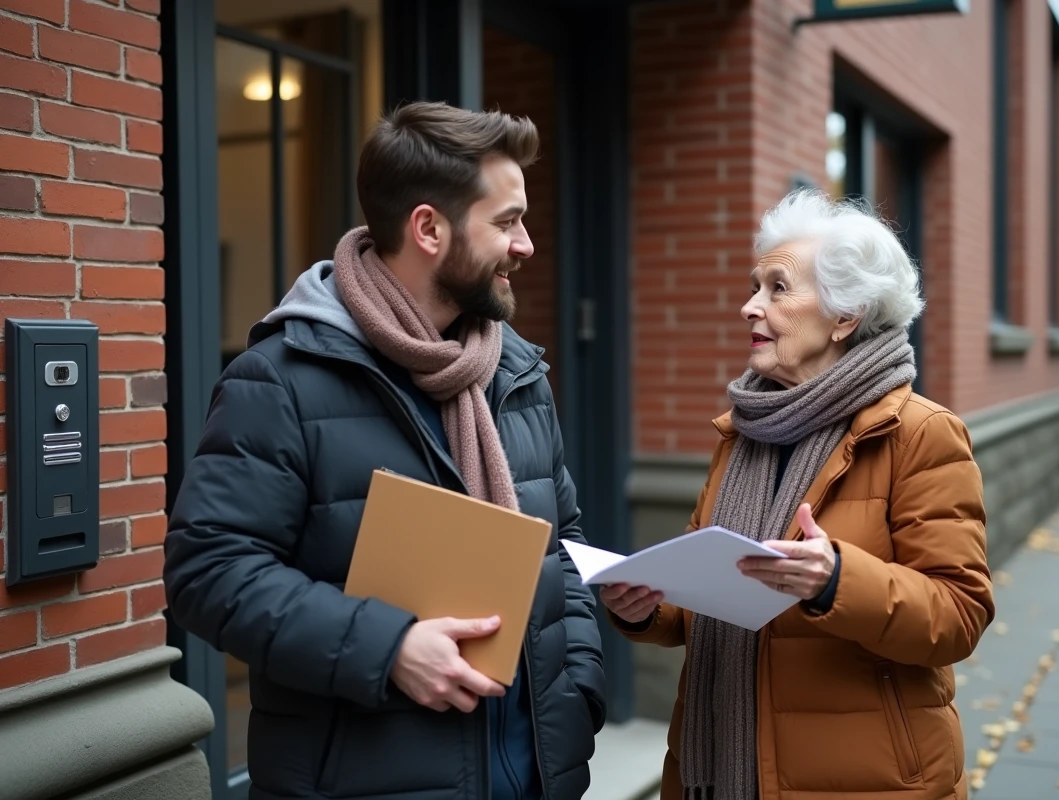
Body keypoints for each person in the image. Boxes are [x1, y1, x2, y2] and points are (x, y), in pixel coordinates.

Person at [163, 101, 605, 800]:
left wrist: (578, 685)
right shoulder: (280, 378)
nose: (526, 244)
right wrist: (387, 647)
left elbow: (564, 544)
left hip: (535, 775)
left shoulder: (516, 372)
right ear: (429, 228)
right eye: (508, 222)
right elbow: (208, 572)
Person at [601, 189, 994, 800]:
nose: (748, 307)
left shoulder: (920, 432)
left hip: (866, 781)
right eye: (754, 286)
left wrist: (838, 580)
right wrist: (648, 608)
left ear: (845, 316)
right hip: (723, 770)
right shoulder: (744, 430)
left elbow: (959, 615)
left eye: (777, 288)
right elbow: (711, 586)